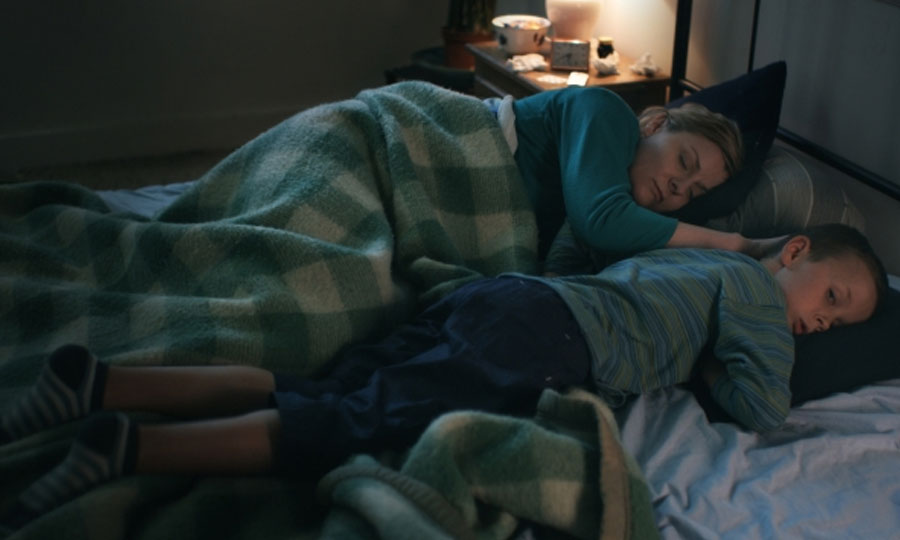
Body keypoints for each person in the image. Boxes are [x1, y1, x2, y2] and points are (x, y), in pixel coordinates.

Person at [0, 223, 887, 528]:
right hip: (547, 342)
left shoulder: (696, 260)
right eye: (831, 298)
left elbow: (584, 247)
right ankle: (131, 449)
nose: (820, 322)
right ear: (794, 250)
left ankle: (104, 384)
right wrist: (748, 354)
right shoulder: (756, 299)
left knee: (325, 387)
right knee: (361, 423)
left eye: (838, 325)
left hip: (509, 298)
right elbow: (760, 407)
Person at [500, 86, 779, 258]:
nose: (679, 188)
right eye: (684, 162)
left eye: (694, 192)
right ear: (655, 125)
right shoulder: (605, 110)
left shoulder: (629, 221)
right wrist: (733, 244)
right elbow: (600, 220)